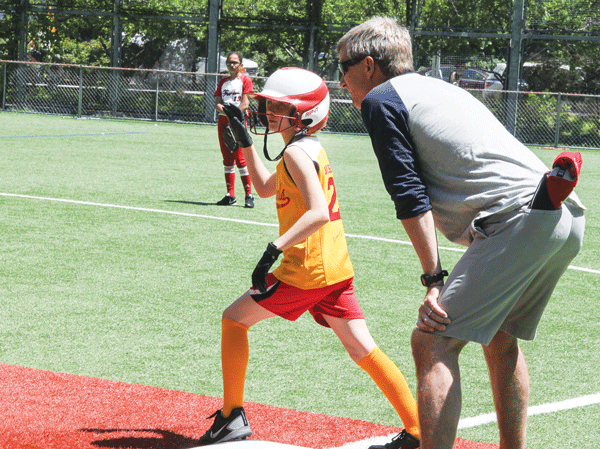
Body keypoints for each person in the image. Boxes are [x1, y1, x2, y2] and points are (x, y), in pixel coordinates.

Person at [337, 16, 585, 449]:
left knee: (432, 342)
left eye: (343, 68)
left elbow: (409, 194)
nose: (341, 82)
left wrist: (434, 279)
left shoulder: (381, 99)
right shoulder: (440, 88)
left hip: (518, 220)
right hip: (561, 217)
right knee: (499, 337)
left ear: (369, 66)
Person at [197, 67, 420, 447]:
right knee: (362, 348)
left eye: (281, 107)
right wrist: (246, 140)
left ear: (304, 114)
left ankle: (232, 415)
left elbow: (317, 211)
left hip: (306, 270)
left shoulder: (297, 153)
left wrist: (274, 249)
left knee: (234, 321)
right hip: (333, 266)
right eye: (271, 104)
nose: (270, 111)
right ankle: (419, 429)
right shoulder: (306, 148)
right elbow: (267, 188)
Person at [214, 51, 255, 208]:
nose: (232, 65)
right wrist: (226, 114)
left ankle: (248, 195)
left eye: (235, 62)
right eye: (229, 62)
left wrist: (233, 118)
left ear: (241, 65)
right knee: (227, 157)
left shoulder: (245, 80)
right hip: (224, 121)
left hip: (238, 122)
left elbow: (244, 104)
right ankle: (230, 195)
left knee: (241, 159)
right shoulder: (223, 81)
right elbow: (218, 103)